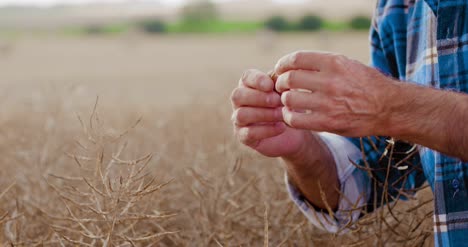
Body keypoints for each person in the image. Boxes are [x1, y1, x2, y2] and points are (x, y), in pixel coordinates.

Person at [230, 0, 468, 246]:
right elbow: (370, 175)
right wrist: (303, 151)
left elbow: (392, 109)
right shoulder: (397, 7)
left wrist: (391, 106)